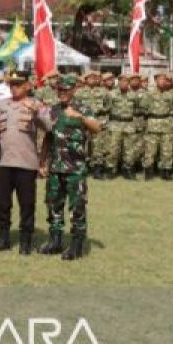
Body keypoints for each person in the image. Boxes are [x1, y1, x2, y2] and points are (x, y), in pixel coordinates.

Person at [38, 74, 102, 260]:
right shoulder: (54, 110)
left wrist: (80, 117)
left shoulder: (83, 109)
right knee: (54, 205)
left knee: (77, 207)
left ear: (74, 90)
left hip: (75, 169)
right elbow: (48, 137)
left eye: (66, 90)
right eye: (60, 90)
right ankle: (55, 241)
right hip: (56, 168)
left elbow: (97, 128)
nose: (63, 93)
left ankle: (76, 245)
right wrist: (42, 161)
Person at [0, 70, 53, 254]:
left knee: (26, 204)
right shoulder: (2, 105)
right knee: (2, 203)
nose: (14, 87)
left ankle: (26, 241)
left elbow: (49, 127)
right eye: (12, 84)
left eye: (18, 84)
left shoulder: (36, 104)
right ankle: (4, 238)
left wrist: (38, 114)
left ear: (28, 86)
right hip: (4, 161)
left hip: (26, 162)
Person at [141, 71, 173, 180]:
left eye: (165, 80)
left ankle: (165, 172)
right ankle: (148, 172)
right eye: (160, 79)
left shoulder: (170, 95)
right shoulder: (149, 94)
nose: (162, 82)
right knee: (150, 150)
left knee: (166, 150)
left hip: (166, 124)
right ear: (156, 81)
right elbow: (143, 107)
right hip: (152, 124)